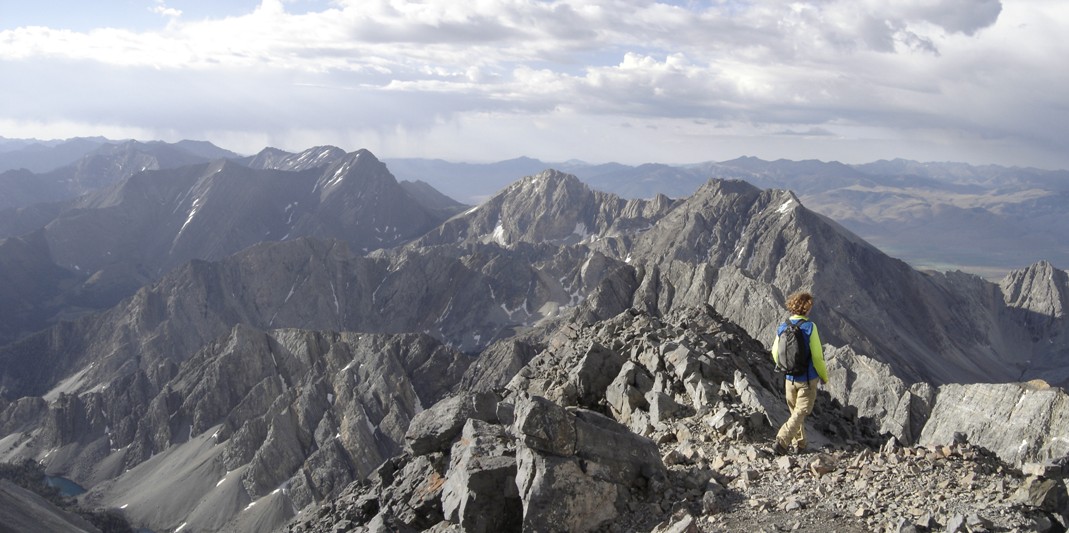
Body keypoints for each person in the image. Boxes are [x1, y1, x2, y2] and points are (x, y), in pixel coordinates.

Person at [770, 291, 828, 454]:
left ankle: (801, 446)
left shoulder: (783, 326)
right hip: (807, 380)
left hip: (789, 379)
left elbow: (775, 353)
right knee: (800, 412)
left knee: (796, 414)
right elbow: (817, 356)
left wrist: (788, 367)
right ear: (807, 309)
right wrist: (823, 376)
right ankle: (782, 441)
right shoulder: (810, 327)